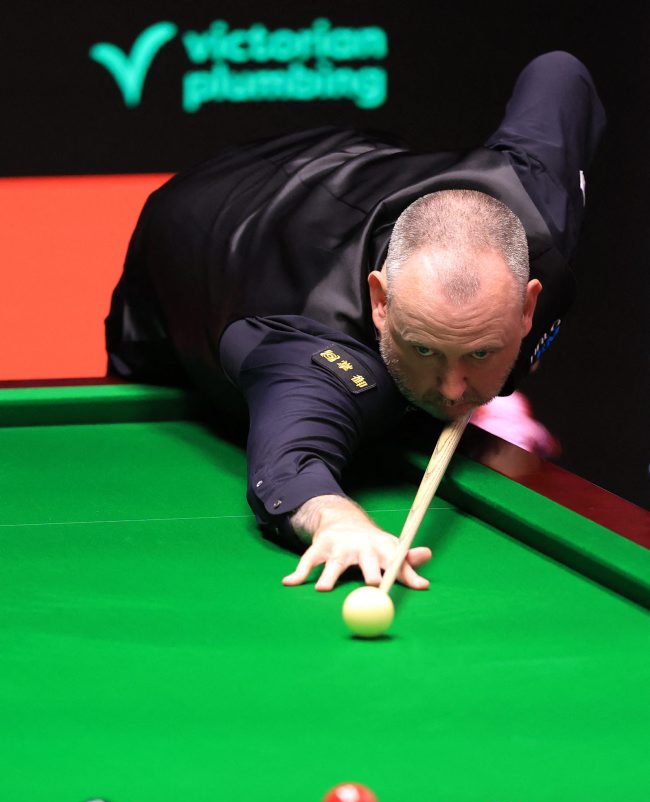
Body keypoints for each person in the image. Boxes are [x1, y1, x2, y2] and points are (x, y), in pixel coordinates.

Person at [105, 51, 606, 592]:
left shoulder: (538, 206)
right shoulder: (315, 347)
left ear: (528, 306)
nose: (452, 389)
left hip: (350, 160)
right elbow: (291, 463)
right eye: (424, 349)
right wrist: (339, 521)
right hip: (195, 224)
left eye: (479, 352)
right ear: (380, 300)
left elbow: (559, 71)